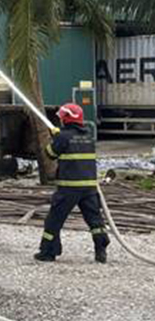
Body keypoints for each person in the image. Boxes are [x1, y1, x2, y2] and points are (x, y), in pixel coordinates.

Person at [34, 103, 109, 263]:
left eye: (62, 118)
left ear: (66, 119)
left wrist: (55, 138)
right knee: (95, 220)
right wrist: (60, 136)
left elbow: (50, 154)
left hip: (68, 188)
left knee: (54, 220)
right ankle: (101, 250)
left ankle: (48, 252)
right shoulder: (88, 136)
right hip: (89, 188)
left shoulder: (62, 137)